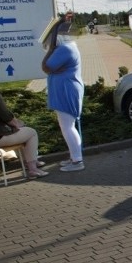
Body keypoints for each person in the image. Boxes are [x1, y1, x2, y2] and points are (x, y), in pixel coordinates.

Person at [41, 14, 85, 172]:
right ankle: (74, 157)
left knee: (67, 127)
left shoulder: (64, 49)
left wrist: (51, 50)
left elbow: (46, 67)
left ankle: (77, 161)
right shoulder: (69, 47)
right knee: (67, 126)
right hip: (67, 90)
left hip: (67, 91)